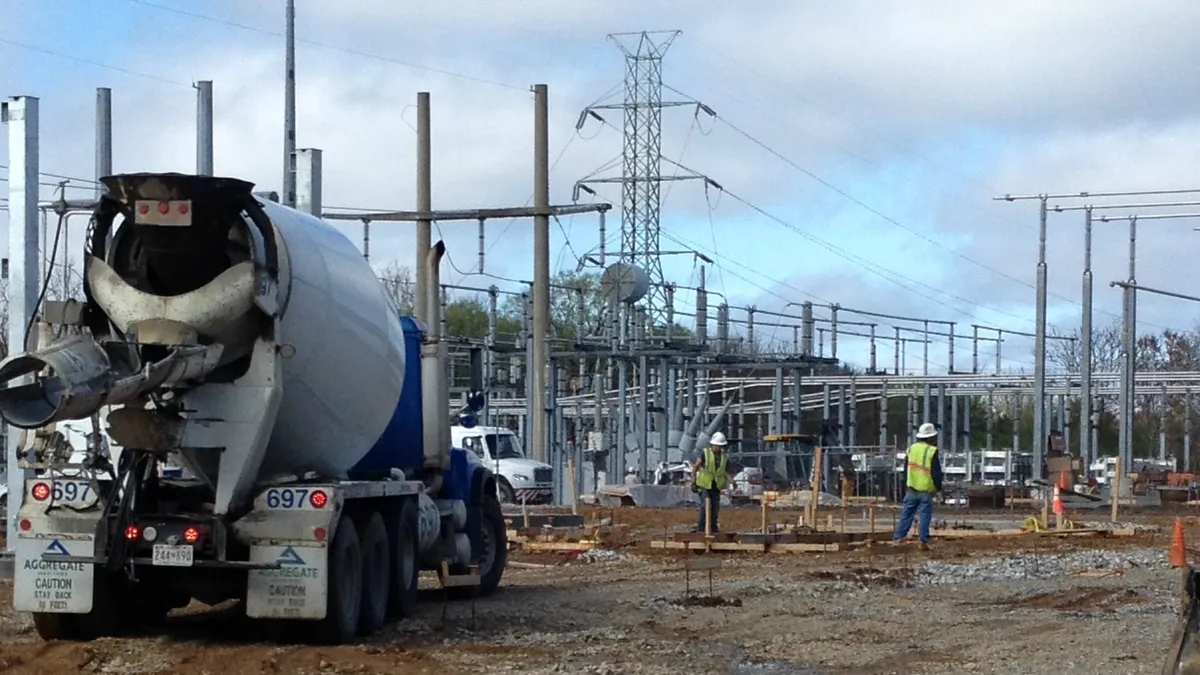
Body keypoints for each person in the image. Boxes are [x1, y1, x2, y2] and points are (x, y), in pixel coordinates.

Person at [892, 422, 943, 550]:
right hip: (925, 490)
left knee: (906, 514)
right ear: (930, 437)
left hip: (911, 488)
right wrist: (939, 488)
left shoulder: (911, 449)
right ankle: (923, 541)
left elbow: (905, 469)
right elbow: (936, 471)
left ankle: (898, 538)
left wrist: (906, 484)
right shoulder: (931, 451)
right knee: (925, 515)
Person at [693, 432, 732, 533]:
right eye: (716, 445)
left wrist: (733, 483)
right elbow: (695, 467)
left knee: (715, 508)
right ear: (712, 444)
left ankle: (713, 529)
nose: (717, 448)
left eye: (720, 446)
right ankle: (701, 529)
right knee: (705, 506)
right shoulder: (705, 453)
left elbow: (725, 473)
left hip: (715, 486)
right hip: (704, 485)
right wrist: (693, 482)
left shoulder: (724, 457)